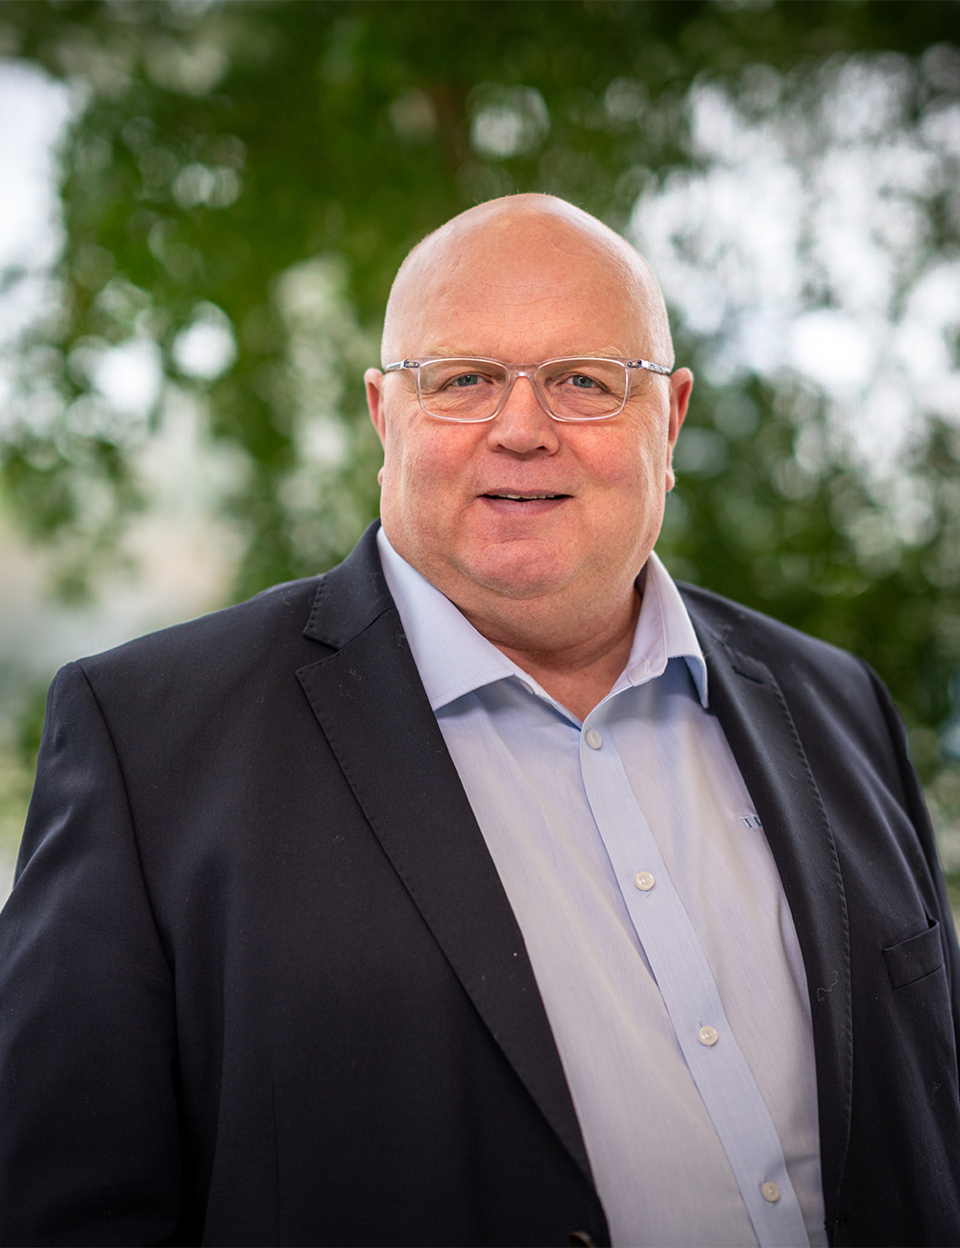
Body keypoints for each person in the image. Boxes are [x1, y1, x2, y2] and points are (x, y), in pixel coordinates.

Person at [0, 194, 958, 1248]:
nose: (521, 429)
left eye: (584, 382)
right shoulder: (150, 744)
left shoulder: (839, 703)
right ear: (383, 416)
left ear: (671, 419)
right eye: (462, 381)